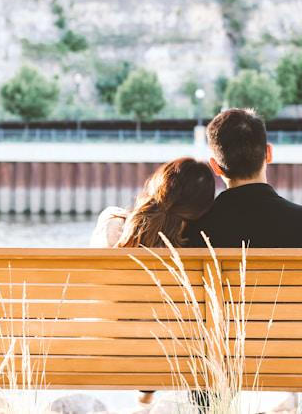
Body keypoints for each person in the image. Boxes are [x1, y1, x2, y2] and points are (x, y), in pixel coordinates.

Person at [185, 108, 302, 414]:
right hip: (294, 352)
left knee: (204, 343)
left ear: (215, 166)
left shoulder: (196, 228)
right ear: (269, 153)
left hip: (221, 355)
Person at [89, 156, 215, 407]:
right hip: (177, 356)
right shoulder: (200, 245)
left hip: (109, 350)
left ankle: (144, 398)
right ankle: (146, 398)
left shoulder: (112, 224)